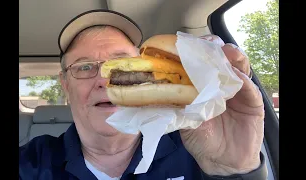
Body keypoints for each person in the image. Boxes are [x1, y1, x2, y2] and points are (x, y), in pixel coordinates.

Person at [19, 10, 268, 180]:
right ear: (65, 83)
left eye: (123, 63)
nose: (104, 79)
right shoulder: (31, 163)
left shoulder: (199, 150)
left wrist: (234, 172)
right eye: (84, 67)